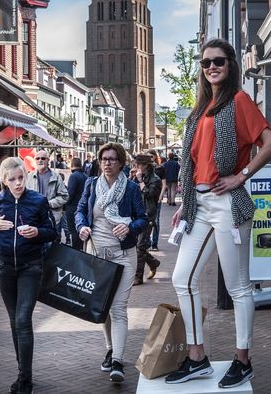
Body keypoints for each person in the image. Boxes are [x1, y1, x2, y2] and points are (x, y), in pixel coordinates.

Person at [166, 38, 271, 388]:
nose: (212, 66)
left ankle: (242, 359)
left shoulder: (239, 101)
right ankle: (197, 357)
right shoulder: (202, 108)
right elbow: (197, 162)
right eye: (205, 63)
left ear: (230, 64)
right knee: (181, 279)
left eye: (218, 61)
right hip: (199, 204)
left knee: (238, 287)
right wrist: (186, 200)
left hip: (228, 204)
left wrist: (241, 176)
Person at [0, 157, 56, 394]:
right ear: (4, 180)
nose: (18, 183)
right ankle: (21, 370)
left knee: (22, 320)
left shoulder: (38, 201)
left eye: (21, 178)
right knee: (15, 322)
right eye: (12, 179)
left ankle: (25, 379)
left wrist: (37, 232)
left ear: (26, 176)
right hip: (4, 268)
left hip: (31, 266)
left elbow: (54, 232)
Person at [75, 142, 148, 384]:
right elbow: (79, 212)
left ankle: (117, 360)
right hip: (96, 254)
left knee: (118, 308)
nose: (107, 163)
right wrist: (82, 226)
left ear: (121, 163)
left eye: (112, 159)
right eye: (104, 159)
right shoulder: (91, 184)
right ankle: (110, 347)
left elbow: (142, 219)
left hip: (123, 255)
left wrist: (129, 226)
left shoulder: (130, 189)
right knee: (103, 306)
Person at [26, 150, 69, 243]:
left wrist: (49, 204)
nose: (40, 160)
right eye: (37, 158)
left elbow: (64, 196)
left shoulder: (56, 177)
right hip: (34, 218)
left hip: (52, 218)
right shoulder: (29, 177)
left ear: (48, 160)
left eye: (43, 158)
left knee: (52, 246)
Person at [131, 153, 161, 286]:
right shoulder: (138, 177)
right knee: (137, 246)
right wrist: (133, 178)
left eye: (138, 164)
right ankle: (153, 262)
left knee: (140, 247)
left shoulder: (155, 179)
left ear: (146, 166)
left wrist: (140, 181)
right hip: (136, 215)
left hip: (148, 215)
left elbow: (149, 194)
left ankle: (138, 277)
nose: (136, 166)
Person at [65, 157, 87, 250]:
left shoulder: (73, 176)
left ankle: (75, 251)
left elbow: (70, 193)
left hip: (73, 207)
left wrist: (65, 204)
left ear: (72, 164)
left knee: (74, 231)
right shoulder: (85, 175)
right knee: (81, 230)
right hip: (83, 207)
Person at [146, 149, 165, 251]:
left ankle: (155, 243)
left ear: (155, 157)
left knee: (156, 221)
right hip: (148, 198)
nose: (150, 159)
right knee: (147, 220)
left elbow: (164, 183)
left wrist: (161, 195)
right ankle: (147, 242)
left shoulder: (160, 168)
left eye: (151, 157)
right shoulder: (145, 170)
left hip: (156, 198)